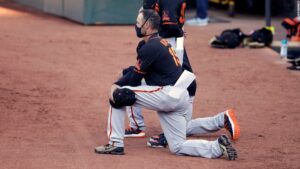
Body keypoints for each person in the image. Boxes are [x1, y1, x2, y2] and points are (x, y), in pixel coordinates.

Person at [95, 9, 238, 160]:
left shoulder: (150, 47)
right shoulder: (161, 42)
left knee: (119, 94)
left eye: (138, 22)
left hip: (167, 95)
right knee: (177, 146)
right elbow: (141, 71)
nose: (136, 25)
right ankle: (216, 147)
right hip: (179, 96)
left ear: (148, 25)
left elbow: (134, 80)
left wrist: (115, 85)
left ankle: (115, 143)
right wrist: (126, 72)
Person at [124, 0, 240, 149]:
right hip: (180, 73)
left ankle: (139, 127)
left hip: (177, 81)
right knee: (183, 124)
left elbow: (170, 26)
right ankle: (221, 119)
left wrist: (175, 33)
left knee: (133, 84)